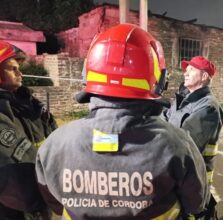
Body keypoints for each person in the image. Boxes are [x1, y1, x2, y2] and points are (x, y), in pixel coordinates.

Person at [35, 24, 208, 219]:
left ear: (88, 75)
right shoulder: (177, 143)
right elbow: (196, 203)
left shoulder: (54, 144)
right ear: (158, 80)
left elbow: (55, 204)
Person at [0, 40, 57, 219]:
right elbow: (15, 176)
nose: (20, 73)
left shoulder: (31, 106)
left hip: (42, 204)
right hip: (16, 211)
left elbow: (56, 145)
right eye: (12, 69)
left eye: (18, 68)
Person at [164, 56, 223, 219]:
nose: (185, 72)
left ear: (204, 77)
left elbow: (185, 147)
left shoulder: (208, 107)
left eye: (191, 69)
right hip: (177, 175)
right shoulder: (181, 100)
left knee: (192, 213)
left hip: (193, 177)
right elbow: (163, 121)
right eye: (186, 68)